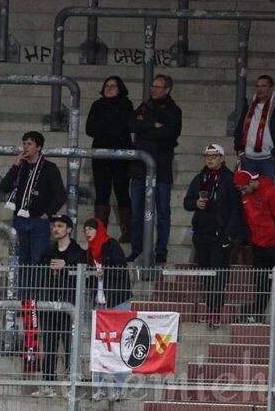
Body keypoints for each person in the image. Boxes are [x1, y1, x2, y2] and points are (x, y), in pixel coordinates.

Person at [183, 143, 244, 326]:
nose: (209, 158)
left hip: (220, 235)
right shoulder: (199, 178)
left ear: (222, 158)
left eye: (214, 155)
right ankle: (209, 310)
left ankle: (216, 313)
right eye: (207, 155)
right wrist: (196, 204)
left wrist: (228, 235)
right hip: (202, 235)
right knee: (206, 274)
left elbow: (236, 211)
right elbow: (186, 202)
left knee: (218, 275)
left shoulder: (229, 180)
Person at [128, 74, 182, 264]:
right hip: (139, 170)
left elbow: (169, 133)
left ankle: (161, 251)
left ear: (167, 89)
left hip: (162, 170)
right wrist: (152, 125)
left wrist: (145, 131)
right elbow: (131, 124)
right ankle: (137, 249)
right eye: (153, 86)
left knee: (163, 213)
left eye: (158, 87)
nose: (153, 89)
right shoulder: (144, 107)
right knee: (136, 213)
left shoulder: (174, 111)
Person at [234, 168, 275, 325]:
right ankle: (258, 314)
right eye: (240, 190)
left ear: (252, 182)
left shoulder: (271, 192)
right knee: (260, 283)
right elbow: (249, 220)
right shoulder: (245, 195)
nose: (243, 193)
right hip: (258, 246)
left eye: (245, 188)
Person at [0, 131, 65, 267]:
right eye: (24, 143)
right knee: (21, 260)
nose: (25, 147)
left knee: (38, 260)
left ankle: (36, 289)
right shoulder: (20, 167)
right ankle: (22, 289)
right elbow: (4, 187)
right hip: (20, 220)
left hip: (39, 220)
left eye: (29, 144)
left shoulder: (49, 168)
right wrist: (15, 165)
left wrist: (47, 213)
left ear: (38, 147)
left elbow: (60, 194)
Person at [32, 215, 82, 397]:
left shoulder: (78, 252)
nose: (56, 229)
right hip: (50, 306)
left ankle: (70, 385)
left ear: (69, 229)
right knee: (50, 347)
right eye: (55, 226)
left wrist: (67, 266)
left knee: (70, 346)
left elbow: (84, 276)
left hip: (69, 308)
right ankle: (48, 385)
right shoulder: (48, 252)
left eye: (60, 226)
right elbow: (38, 276)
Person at [82, 216, 131, 401]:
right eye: (85, 229)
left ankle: (119, 389)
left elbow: (121, 267)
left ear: (99, 229)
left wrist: (105, 271)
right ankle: (100, 389)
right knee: (100, 347)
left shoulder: (111, 245)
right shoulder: (89, 252)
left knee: (119, 345)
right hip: (100, 304)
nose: (87, 232)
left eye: (90, 229)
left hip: (117, 301)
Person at [86, 75, 136, 244]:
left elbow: (125, 126)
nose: (109, 88)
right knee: (102, 192)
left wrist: (106, 128)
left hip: (121, 155)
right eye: (107, 85)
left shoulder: (126, 104)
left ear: (120, 88)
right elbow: (90, 128)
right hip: (101, 155)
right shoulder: (97, 105)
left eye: (113, 85)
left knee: (122, 191)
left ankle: (127, 231)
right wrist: (111, 128)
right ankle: (100, 231)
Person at [235, 75, 275, 185]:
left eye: (263, 86)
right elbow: (240, 128)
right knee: (247, 196)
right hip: (248, 159)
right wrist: (239, 147)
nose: (260, 89)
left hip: (270, 160)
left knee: (270, 194)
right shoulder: (249, 107)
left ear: (271, 88)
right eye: (257, 86)